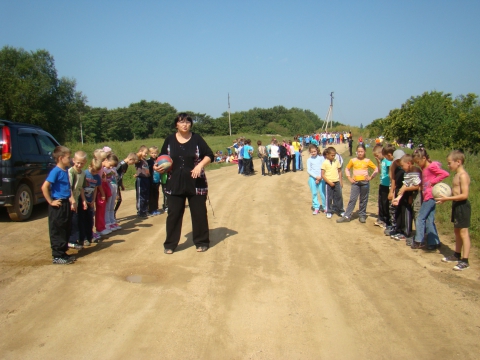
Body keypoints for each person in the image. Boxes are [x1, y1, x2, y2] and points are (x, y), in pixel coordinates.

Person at [159, 113, 214, 254]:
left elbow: (209, 155)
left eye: (187, 122)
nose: (185, 124)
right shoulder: (169, 140)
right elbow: (162, 158)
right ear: (176, 124)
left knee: (199, 213)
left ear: (191, 124)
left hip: (196, 182)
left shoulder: (197, 139)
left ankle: (201, 241)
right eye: (181, 122)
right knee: (174, 214)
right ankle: (170, 244)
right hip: (175, 182)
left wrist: (199, 165)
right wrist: (157, 167)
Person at [436, 150, 471, 271]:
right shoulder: (456, 175)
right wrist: (445, 196)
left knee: (463, 233)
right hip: (456, 205)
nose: (448, 165)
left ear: (458, 162)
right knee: (457, 231)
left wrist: (448, 198)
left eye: (450, 163)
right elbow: (455, 191)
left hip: (462, 206)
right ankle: (457, 254)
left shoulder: (463, 176)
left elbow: (464, 195)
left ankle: (465, 260)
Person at [41, 146, 76, 265]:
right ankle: (57, 256)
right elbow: (44, 187)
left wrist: (72, 200)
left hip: (66, 202)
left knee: (66, 227)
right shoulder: (55, 171)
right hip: (58, 204)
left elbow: (67, 188)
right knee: (58, 229)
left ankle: (63, 252)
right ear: (61, 158)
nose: (70, 159)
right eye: (68, 157)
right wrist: (51, 201)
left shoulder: (65, 170)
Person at [411, 147, 449, 250]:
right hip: (427, 196)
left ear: (424, 158)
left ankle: (419, 241)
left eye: (418, 162)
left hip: (430, 196)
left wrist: (433, 182)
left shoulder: (431, 166)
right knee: (429, 219)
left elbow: (445, 174)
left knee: (420, 217)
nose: (418, 164)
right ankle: (434, 242)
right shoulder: (425, 168)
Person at [337, 144, 378, 223]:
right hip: (355, 183)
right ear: (356, 152)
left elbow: (376, 169)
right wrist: (349, 177)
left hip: (365, 183)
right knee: (352, 199)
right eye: (358, 151)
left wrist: (371, 177)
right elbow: (347, 169)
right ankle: (346, 216)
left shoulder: (367, 161)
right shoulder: (353, 160)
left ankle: (362, 215)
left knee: (363, 199)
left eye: (361, 151)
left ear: (364, 152)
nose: (360, 153)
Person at [68, 151, 88, 250]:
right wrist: (72, 202)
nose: (79, 165)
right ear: (73, 160)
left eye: (82, 163)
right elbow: (69, 188)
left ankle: (80, 238)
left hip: (77, 200)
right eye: (78, 162)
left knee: (79, 219)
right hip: (71, 200)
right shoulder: (71, 172)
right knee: (73, 220)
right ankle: (71, 240)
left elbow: (81, 188)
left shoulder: (83, 173)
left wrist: (83, 201)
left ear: (85, 162)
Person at [373, 144, 393, 228]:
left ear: (381, 152)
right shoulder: (382, 161)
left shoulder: (388, 161)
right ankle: (381, 218)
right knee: (380, 202)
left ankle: (386, 220)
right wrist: (378, 163)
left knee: (385, 203)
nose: (377, 157)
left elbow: (390, 172)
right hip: (382, 184)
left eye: (377, 155)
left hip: (387, 185)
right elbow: (380, 171)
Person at [321, 147, 344, 219]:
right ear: (327, 154)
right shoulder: (324, 163)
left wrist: (341, 181)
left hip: (337, 181)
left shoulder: (336, 161)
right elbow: (322, 174)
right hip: (329, 183)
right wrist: (329, 182)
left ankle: (340, 210)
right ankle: (329, 211)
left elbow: (339, 171)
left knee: (339, 196)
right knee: (329, 197)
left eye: (334, 155)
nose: (333, 156)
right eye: (332, 155)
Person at [84, 159, 103, 243]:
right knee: (82, 218)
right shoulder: (84, 174)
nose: (94, 173)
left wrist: (93, 200)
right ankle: (84, 236)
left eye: (97, 172)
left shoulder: (97, 177)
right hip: (83, 200)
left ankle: (90, 233)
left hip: (90, 199)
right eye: (93, 171)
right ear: (89, 166)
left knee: (90, 217)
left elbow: (95, 189)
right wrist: (84, 200)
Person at [115, 152, 138, 218]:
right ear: (130, 159)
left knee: (119, 200)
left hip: (118, 184)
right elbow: (114, 174)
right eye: (133, 162)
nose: (132, 164)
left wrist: (121, 184)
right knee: (117, 199)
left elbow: (121, 175)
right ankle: (111, 214)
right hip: (114, 184)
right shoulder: (120, 164)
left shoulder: (126, 165)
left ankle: (113, 213)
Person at [307, 144, 323, 215]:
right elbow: (309, 170)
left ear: (317, 150)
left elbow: (323, 168)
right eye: (312, 152)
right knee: (314, 193)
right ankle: (316, 206)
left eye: (314, 151)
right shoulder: (309, 160)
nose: (313, 153)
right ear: (310, 152)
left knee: (322, 193)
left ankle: (325, 207)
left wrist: (320, 177)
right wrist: (315, 177)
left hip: (321, 178)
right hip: (312, 178)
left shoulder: (321, 158)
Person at [135, 145, 150, 218]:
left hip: (146, 179)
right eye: (145, 153)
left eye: (147, 153)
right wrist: (139, 154)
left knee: (146, 195)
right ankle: (140, 211)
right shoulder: (139, 160)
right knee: (141, 195)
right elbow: (135, 157)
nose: (146, 154)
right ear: (140, 151)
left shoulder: (145, 161)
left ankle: (145, 210)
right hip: (140, 179)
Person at [147, 146, 162, 215]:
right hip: (151, 180)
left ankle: (155, 208)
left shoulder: (158, 160)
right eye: (152, 153)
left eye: (155, 153)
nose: (154, 154)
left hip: (157, 180)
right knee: (151, 195)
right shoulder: (148, 161)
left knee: (156, 194)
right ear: (149, 153)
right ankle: (151, 209)